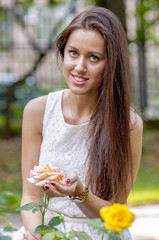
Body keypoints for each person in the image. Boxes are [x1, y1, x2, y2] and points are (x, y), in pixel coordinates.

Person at [13, 6, 143, 240]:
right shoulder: (36, 111)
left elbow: (116, 214)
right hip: (47, 232)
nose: (79, 67)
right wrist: (36, 234)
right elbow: (31, 196)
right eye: (73, 53)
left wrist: (80, 193)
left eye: (94, 57)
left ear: (111, 64)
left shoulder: (129, 123)